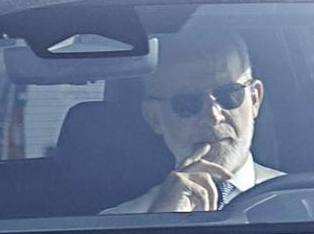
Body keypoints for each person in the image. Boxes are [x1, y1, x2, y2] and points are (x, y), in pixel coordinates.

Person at [105, 30, 283, 214]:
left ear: (254, 99)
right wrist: (161, 222)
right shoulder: (118, 224)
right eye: (187, 102)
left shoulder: (305, 205)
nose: (213, 116)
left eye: (229, 94)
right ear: (155, 118)